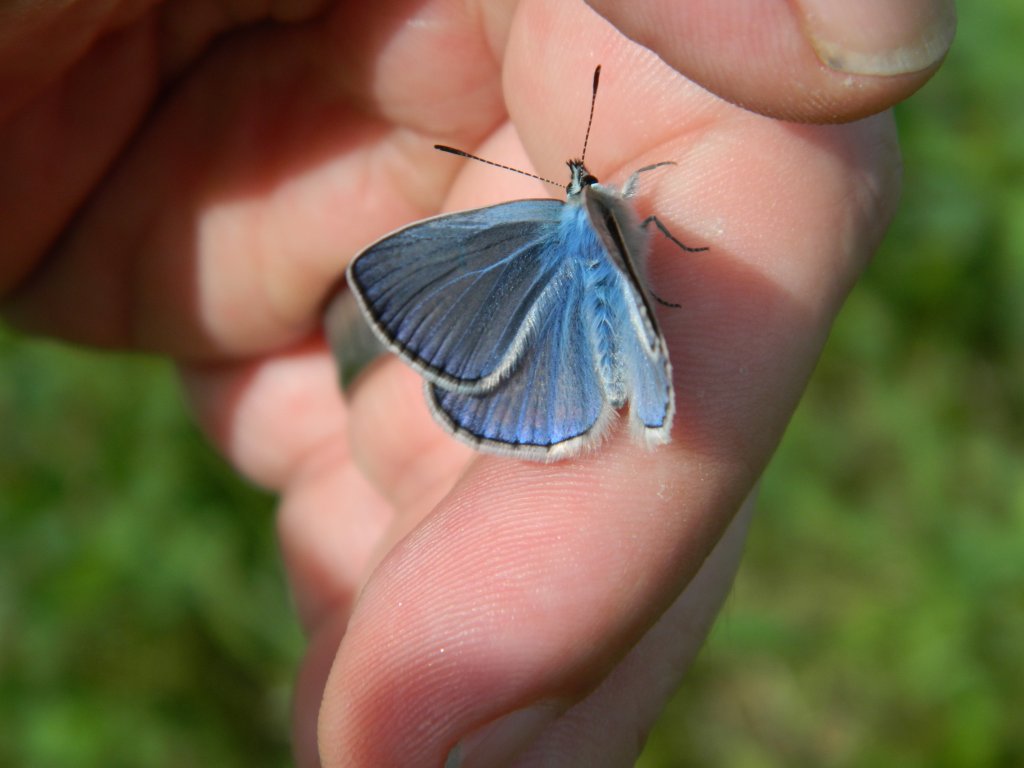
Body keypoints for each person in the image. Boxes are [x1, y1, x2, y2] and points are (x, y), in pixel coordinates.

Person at [0, 1, 954, 765]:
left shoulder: (539, 222)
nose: (583, 182)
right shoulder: (576, 207)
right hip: (609, 342)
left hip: (561, 355)